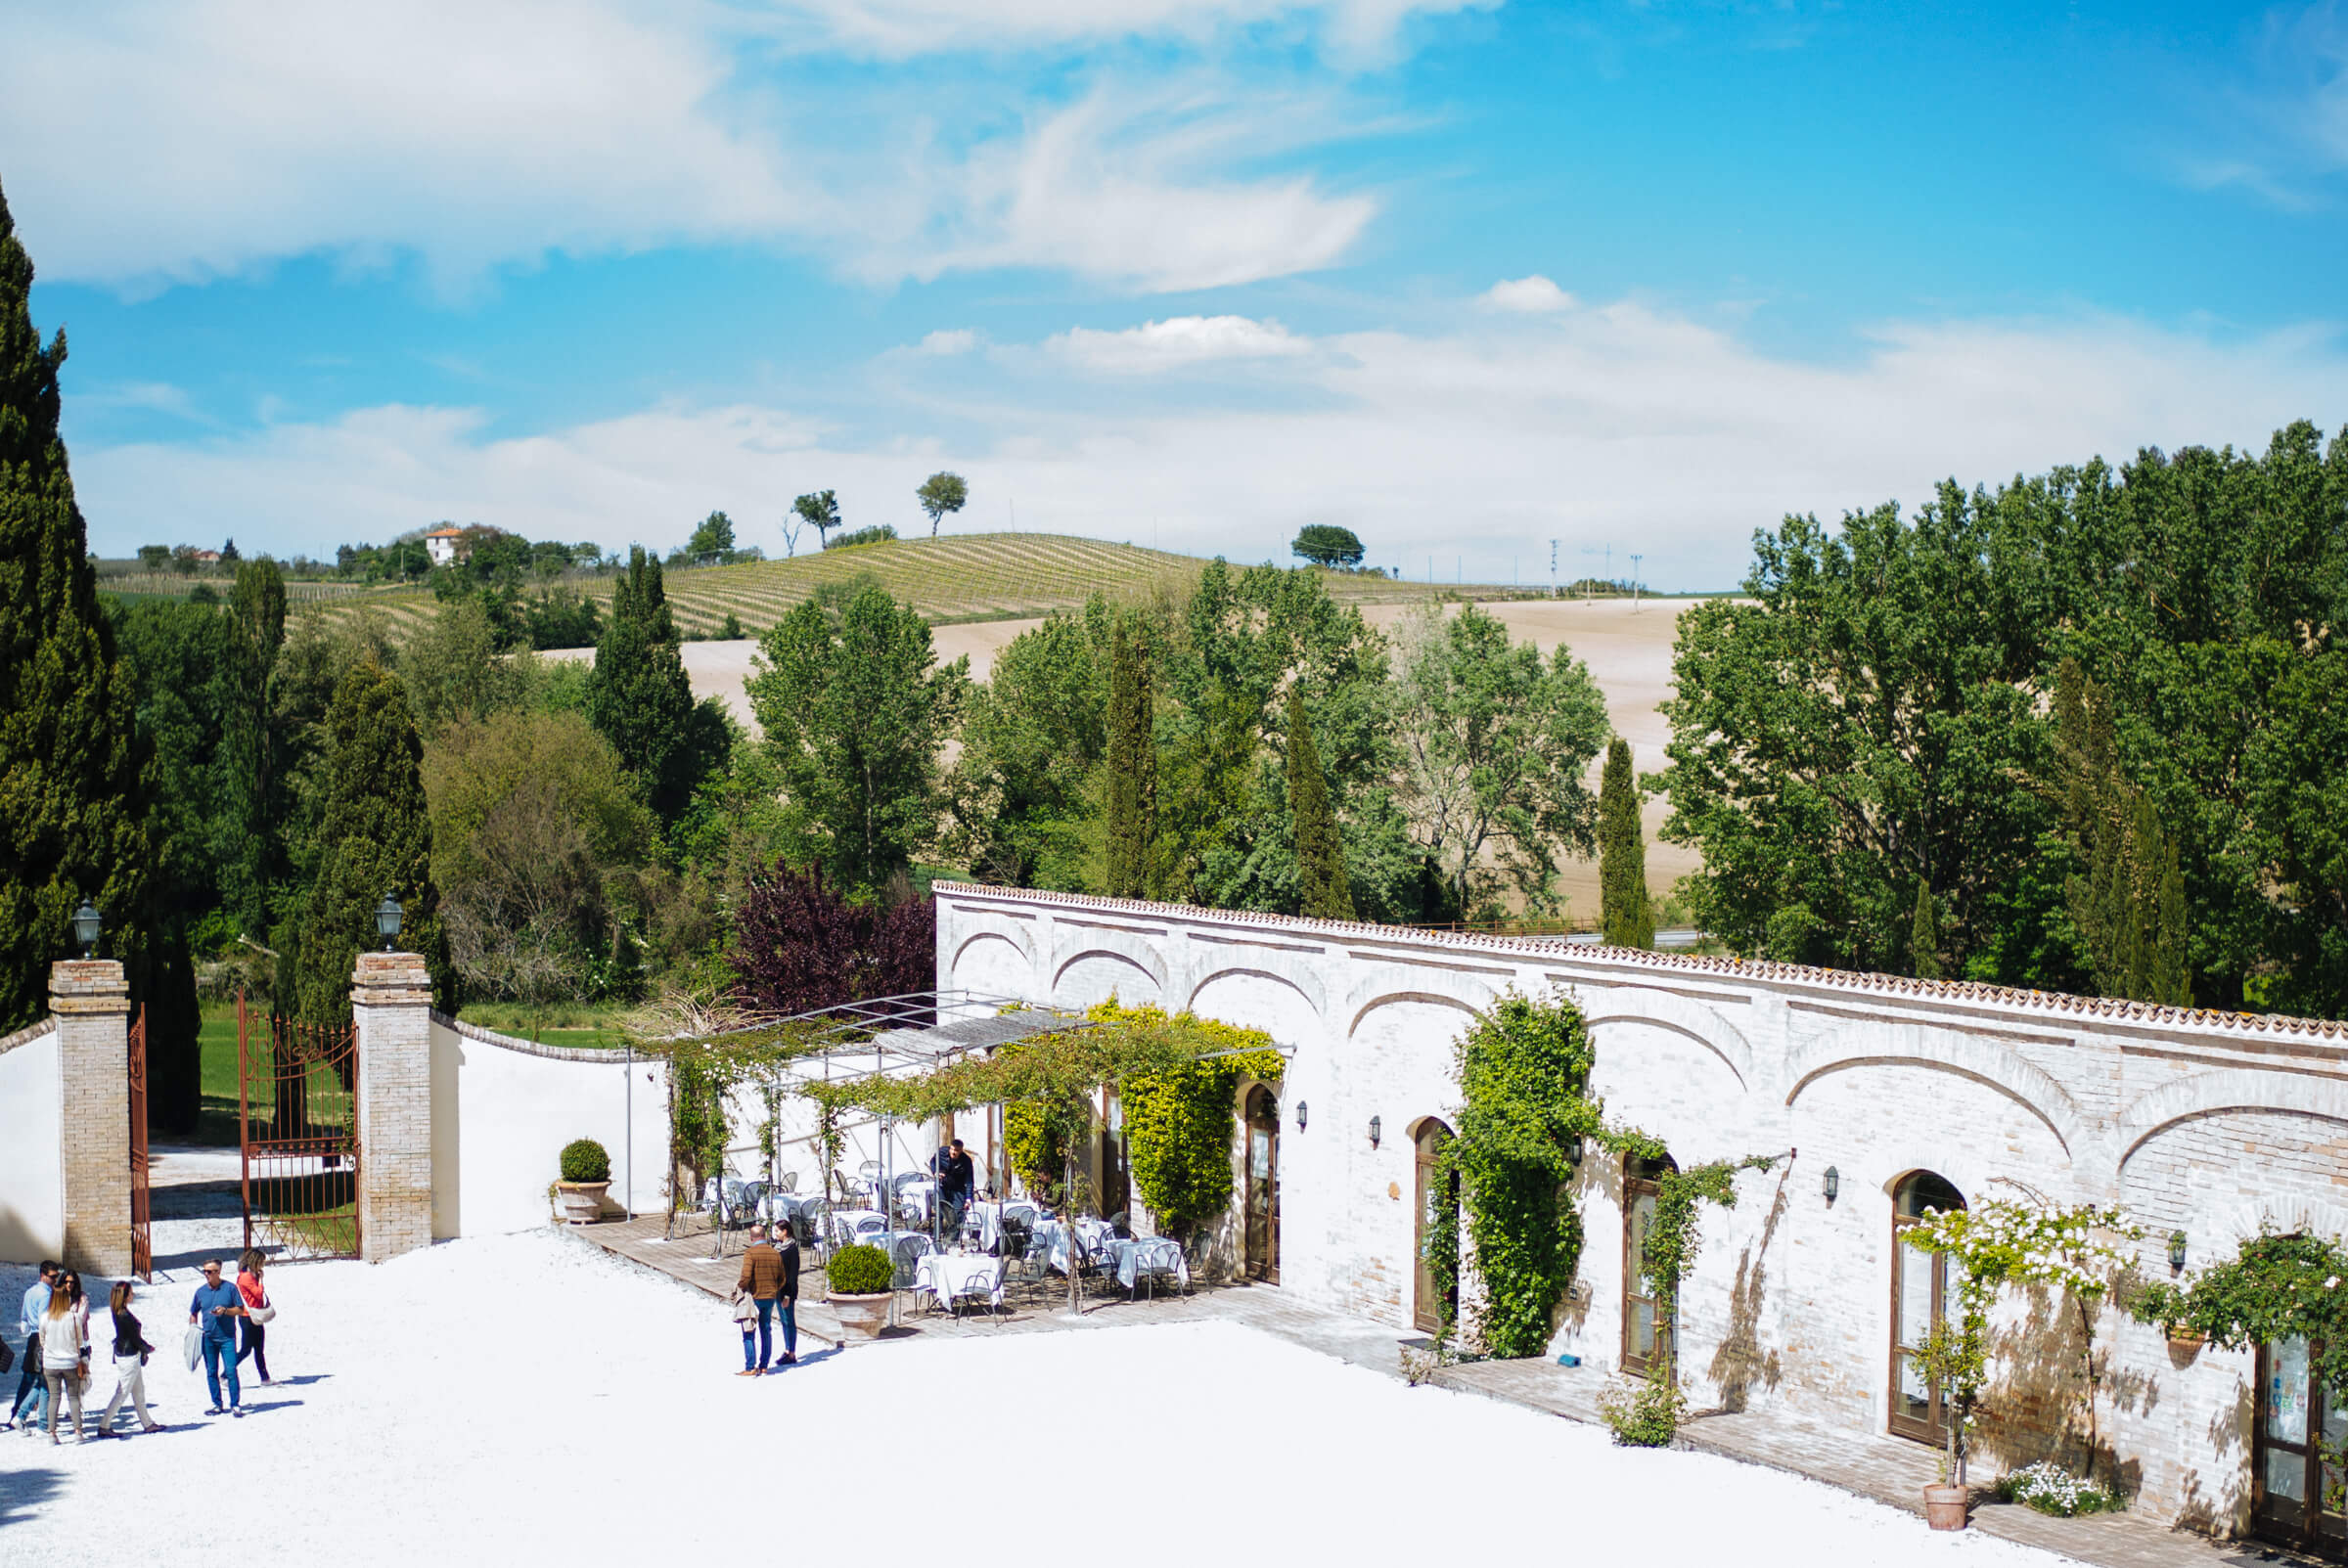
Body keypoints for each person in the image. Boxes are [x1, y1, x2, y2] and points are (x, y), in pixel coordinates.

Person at [97, 1280, 160, 1437]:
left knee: (138, 1391)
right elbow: (134, 1338)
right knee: (123, 1392)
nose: (133, 1295)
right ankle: (104, 1425)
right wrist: (147, 1348)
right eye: (131, 1293)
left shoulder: (119, 1311)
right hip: (129, 1356)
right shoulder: (124, 1315)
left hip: (127, 1354)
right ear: (125, 1296)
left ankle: (148, 1423)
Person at [734, 1224, 799, 1374]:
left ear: (752, 1238)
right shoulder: (774, 1252)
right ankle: (764, 1365)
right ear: (764, 1235)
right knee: (766, 1329)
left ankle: (750, 1366)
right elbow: (782, 1277)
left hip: (755, 1296)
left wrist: (742, 1287)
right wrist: (774, 1289)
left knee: (749, 1330)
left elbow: (746, 1276)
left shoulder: (750, 1253)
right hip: (769, 1297)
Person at [188, 1259, 246, 1416]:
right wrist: (193, 1328)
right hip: (208, 1338)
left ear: (218, 1272)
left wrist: (225, 1311)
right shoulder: (200, 1292)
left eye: (209, 1271)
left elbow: (241, 1310)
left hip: (227, 1337)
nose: (206, 1274)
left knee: (231, 1370)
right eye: (204, 1271)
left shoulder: (230, 1289)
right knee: (211, 1371)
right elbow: (193, 1312)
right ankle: (217, 1404)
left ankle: (235, 1404)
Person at [6, 1260, 56, 1433]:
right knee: (44, 1381)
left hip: (32, 1338)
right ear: (43, 1275)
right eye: (52, 1276)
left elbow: (24, 1320)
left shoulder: (29, 1292)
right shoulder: (47, 1295)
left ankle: (17, 1412)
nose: (55, 1280)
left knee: (27, 1379)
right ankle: (31, 1416)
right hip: (43, 1338)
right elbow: (44, 1319)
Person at [39, 1282, 84, 1445]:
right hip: (70, 1361)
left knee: (54, 1397)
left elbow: (42, 1340)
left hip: (50, 1363)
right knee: (73, 1397)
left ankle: (52, 1433)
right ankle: (78, 1431)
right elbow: (79, 1340)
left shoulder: (45, 1317)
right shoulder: (74, 1317)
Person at [235, 1250, 273, 1385]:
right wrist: (261, 1280)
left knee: (259, 1349)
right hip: (248, 1316)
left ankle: (265, 1378)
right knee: (246, 1350)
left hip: (253, 1315)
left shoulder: (248, 1275)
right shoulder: (246, 1277)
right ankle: (225, 1374)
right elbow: (258, 1293)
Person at [930, 1139, 976, 1237]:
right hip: (942, 1186)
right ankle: (936, 1238)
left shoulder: (966, 1161)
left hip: (958, 1188)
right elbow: (933, 1161)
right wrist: (935, 1171)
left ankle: (953, 1239)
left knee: (958, 1213)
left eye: (956, 1150)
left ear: (961, 1151)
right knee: (939, 1211)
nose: (953, 1152)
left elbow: (969, 1181)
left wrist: (968, 1198)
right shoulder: (942, 1152)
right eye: (952, 1149)